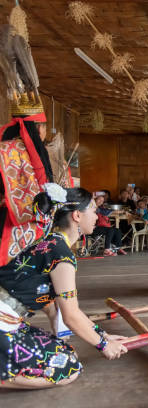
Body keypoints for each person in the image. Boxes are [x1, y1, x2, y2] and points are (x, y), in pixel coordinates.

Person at [0, 184, 127, 389]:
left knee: (66, 353)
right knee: (68, 368)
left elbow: (56, 307)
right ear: (77, 215)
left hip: (9, 321)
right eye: (93, 210)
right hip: (3, 324)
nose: (97, 216)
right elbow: (71, 315)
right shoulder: (61, 254)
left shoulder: (50, 242)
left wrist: (101, 334)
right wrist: (103, 345)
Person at [0, 23, 55, 266]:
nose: (44, 132)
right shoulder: (23, 150)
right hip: (15, 223)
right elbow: (41, 181)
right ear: (37, 129)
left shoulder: (6, 144)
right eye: (42, 127)